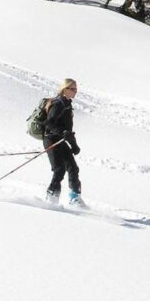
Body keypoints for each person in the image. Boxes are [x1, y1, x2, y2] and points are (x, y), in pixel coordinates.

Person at [43, 78, 84, 207]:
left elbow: (68, 131)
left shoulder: (67, 104)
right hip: (51, 139)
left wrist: (74, 145)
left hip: (60, 140)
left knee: (73, 168)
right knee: (59, 169)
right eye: (72, 89)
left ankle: (74, 198)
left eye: (76, 89)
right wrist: (63, 133)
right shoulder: (58, 103)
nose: (75, 91)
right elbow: (49, 124)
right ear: (64, 89)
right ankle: (51, 197)